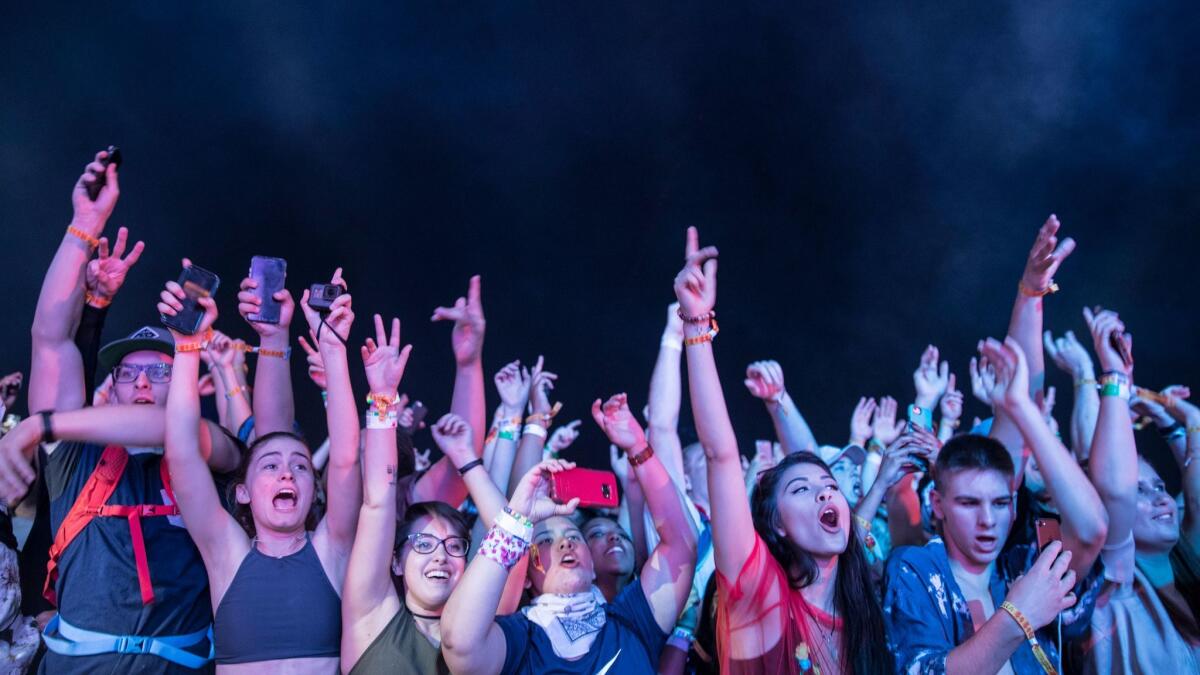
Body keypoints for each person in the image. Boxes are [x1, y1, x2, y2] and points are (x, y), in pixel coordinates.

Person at [0, 150, 240, 674]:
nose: (142, 384)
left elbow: (168, 429)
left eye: (161, 372)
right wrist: (84, 228)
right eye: (129, 372)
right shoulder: (76, 456)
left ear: (186, 382)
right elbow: (49, 341)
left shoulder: (209, 448)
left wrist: (37, 426)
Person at [671, 227, 890, 674]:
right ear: (776, 524)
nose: (827, 494)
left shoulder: (863, 614)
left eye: (830, 486)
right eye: (803, 490)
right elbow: (721, 455)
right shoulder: (760, 595)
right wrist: (696, 327)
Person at [157, 265, 364, 672]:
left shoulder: (332, 548)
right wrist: (185, 349)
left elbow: (345, 457)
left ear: (314, 489)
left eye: (301, 466)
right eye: (270, 465)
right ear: (243, 492)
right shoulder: (225, 551)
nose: (287, 473)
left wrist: (335, 351)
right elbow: (182, 454)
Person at [882, 334, 1108, 674]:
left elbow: (1093, 530)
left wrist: (1022, 408)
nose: (988, 519)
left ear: (1015, 507)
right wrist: (1018, 615)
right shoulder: (916, 568)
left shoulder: (1025, 566)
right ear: (938, 504)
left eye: (1000, 503)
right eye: (969, 503)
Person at [440, 393, 696, 675]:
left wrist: (638, 447)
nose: (565, 544)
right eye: (546, 540)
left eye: (575, 536)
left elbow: (681, 545)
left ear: (593, 566)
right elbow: (459, 645)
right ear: (525, 578)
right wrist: (515, 521)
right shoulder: (518, 639)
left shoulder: (632, 620)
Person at [341, 411, 524, 675]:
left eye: (454, 546)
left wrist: (465, 457)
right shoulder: (372, 618)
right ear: (396, 562)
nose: (441, 556)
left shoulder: (486, 633)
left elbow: (510, 538)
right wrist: (382, 398)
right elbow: (377, 503)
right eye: (424, 544)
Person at [1077, 306, 1200, 672]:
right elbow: (1113, 486)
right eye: (1139, 491)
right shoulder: (1112, 584)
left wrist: (1182, 421)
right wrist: (1108, 376)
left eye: (1160, 486)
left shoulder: (1187, 569)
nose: (1161, 497)